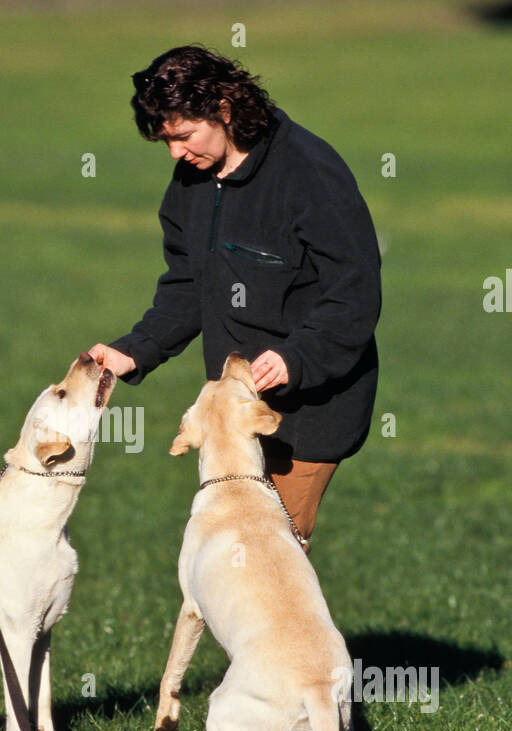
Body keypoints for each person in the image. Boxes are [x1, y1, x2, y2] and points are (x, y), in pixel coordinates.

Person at [90, 45, 382, 551]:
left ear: (224, 109)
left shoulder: (308, 172)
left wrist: (297, 357)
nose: (176, 153)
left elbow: (354, 293)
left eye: (183, 136)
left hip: (306, 414)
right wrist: (135, 349)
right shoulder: (194, 178)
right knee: (227, 564)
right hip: (231, 412)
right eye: (166, 140)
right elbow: (188, 285)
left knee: (263, 566)